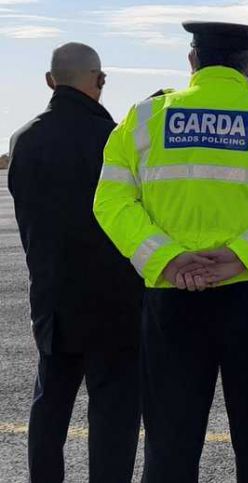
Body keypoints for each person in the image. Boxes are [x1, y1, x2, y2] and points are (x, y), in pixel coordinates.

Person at [93, 21, 248, 482]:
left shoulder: (145, 116)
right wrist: (242, 254)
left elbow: (110, 200)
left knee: (169, 443)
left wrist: (166, 258)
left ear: (192, 60)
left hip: (172, 300)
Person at [8, 42, 142, 483]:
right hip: (115, 303)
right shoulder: (115, 140)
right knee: (113, 415)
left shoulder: (23, 140)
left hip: (54, 299)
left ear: (50, 81)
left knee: (49, 406)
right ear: (99, 80)